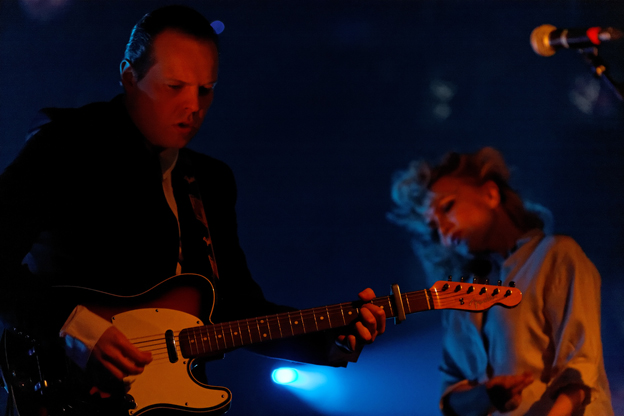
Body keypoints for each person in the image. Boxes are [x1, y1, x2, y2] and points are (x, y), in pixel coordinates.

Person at [0, 4, 385, 413]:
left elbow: (236, 308)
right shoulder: (67, 145)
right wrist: (77, 328)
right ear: (129, 77)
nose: (193, 106)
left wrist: (332, 334)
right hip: (64, 395)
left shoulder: (211, 182)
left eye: (206, 89)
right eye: (174, 86)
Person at [388, 147, 612, 416]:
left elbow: (580, 367)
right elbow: (452, 398)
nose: (444, 231)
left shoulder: (555, 255)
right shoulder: (456, 297)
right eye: (435, 228)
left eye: (447, 207)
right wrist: (486, 395)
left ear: (491, 194)